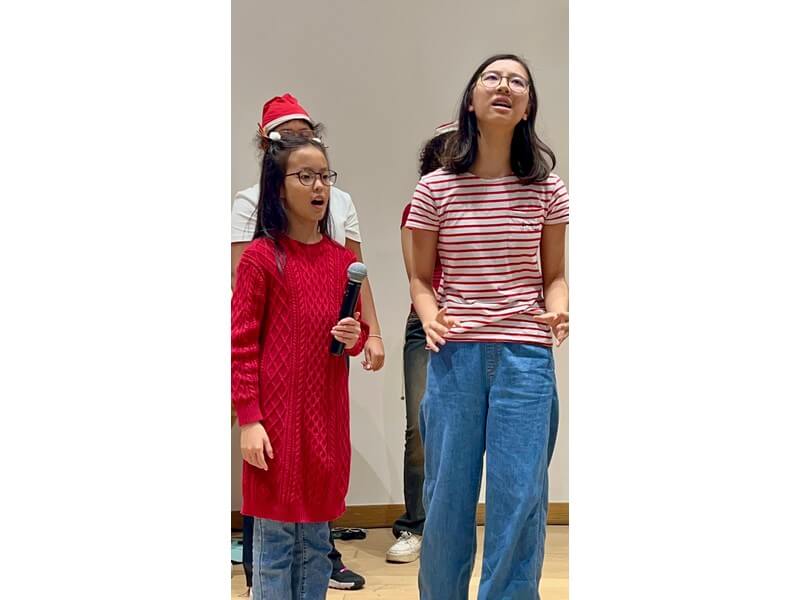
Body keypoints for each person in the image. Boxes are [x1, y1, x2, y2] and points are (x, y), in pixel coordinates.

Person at [407, 54, 569, 599]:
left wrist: (559, 307)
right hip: (456, 355)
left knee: (519, 496)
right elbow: (421, 279)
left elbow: (555, 275)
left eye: (518, 81)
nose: (505, 86)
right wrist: (428, 315)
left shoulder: (548, 189)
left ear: (528, 107)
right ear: (472, 100)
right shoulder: (435, 189)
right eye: (492, 78)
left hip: (526, 356)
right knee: (447, 497)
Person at [231, 94, 374, 593]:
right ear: (278, 186)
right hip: (274, 427)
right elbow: (241, 345)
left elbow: (352, 336)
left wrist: (354, 338)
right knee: (273, 547)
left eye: (325, 176)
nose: (319, 187)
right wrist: (249, 419)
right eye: (306, 176)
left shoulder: (342, 262)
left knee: (316, 546)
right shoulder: (260, 258)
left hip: (325, 426)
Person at [386, 121, 455, 563]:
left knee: (468, 430)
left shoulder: (487, 202)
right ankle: (415, 524)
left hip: (473, 325)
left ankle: (452, 525)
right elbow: (418, 277)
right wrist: (433, 315)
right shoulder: (417, 208)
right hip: (425, 322)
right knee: (420, 426)